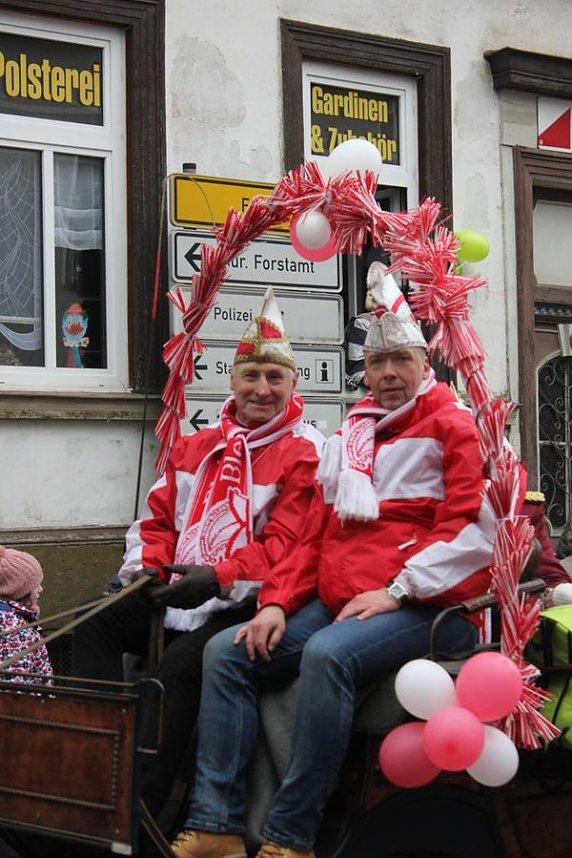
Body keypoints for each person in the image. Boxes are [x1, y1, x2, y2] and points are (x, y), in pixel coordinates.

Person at [170, 279, 501, 858]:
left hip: (431, 605)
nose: (389, 372)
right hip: (343, 597)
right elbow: (310, 538)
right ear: (365, 372)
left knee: (328, 654)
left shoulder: (456, 424)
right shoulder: (350, 436)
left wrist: (397, 589)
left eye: (401, 358)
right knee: (226, 652)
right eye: (377, 362)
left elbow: (471, 535)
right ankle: (216, 825)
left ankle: (291, 836)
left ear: (426, 362)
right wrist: (275, 601)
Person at [71, 288, 325, 821]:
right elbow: (157, 519)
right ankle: (91, 761)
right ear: (231, 381)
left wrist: (218, 579)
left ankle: (136, 813)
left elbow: (287, 546)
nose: (261, 389)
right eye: (250, 376)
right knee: (90, 626)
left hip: (246, 602)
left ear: (293, 385)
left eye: (273, 378)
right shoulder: (196, 444)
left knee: (180, 669)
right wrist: (146, 570)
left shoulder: (306, 452)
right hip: (177, 586)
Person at [0, 545, 52, 684]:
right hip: (30, 704)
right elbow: (15, 686)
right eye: (35, 585)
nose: (41, 589)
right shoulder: (13, 629)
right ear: (20, 591)